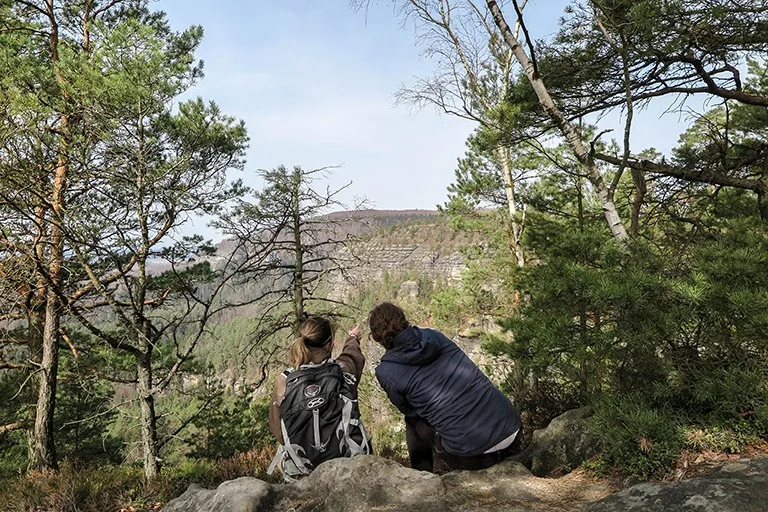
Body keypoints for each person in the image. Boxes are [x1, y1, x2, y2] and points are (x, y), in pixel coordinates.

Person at [369, 302, 522, 472]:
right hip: (513, 431)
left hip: (472, 456)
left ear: (376, 338)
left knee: (413, 421)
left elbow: (410, 410)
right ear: (404, 320)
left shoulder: (386, 371)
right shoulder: (435, 336)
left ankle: (423, 479)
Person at [267, 316, 370, 480]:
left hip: (302, 473)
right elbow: (352, 356)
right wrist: (352, 337)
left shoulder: (284, 381)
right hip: (348, 467)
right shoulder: (343, 372)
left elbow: (277, 429)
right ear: (329, 344)